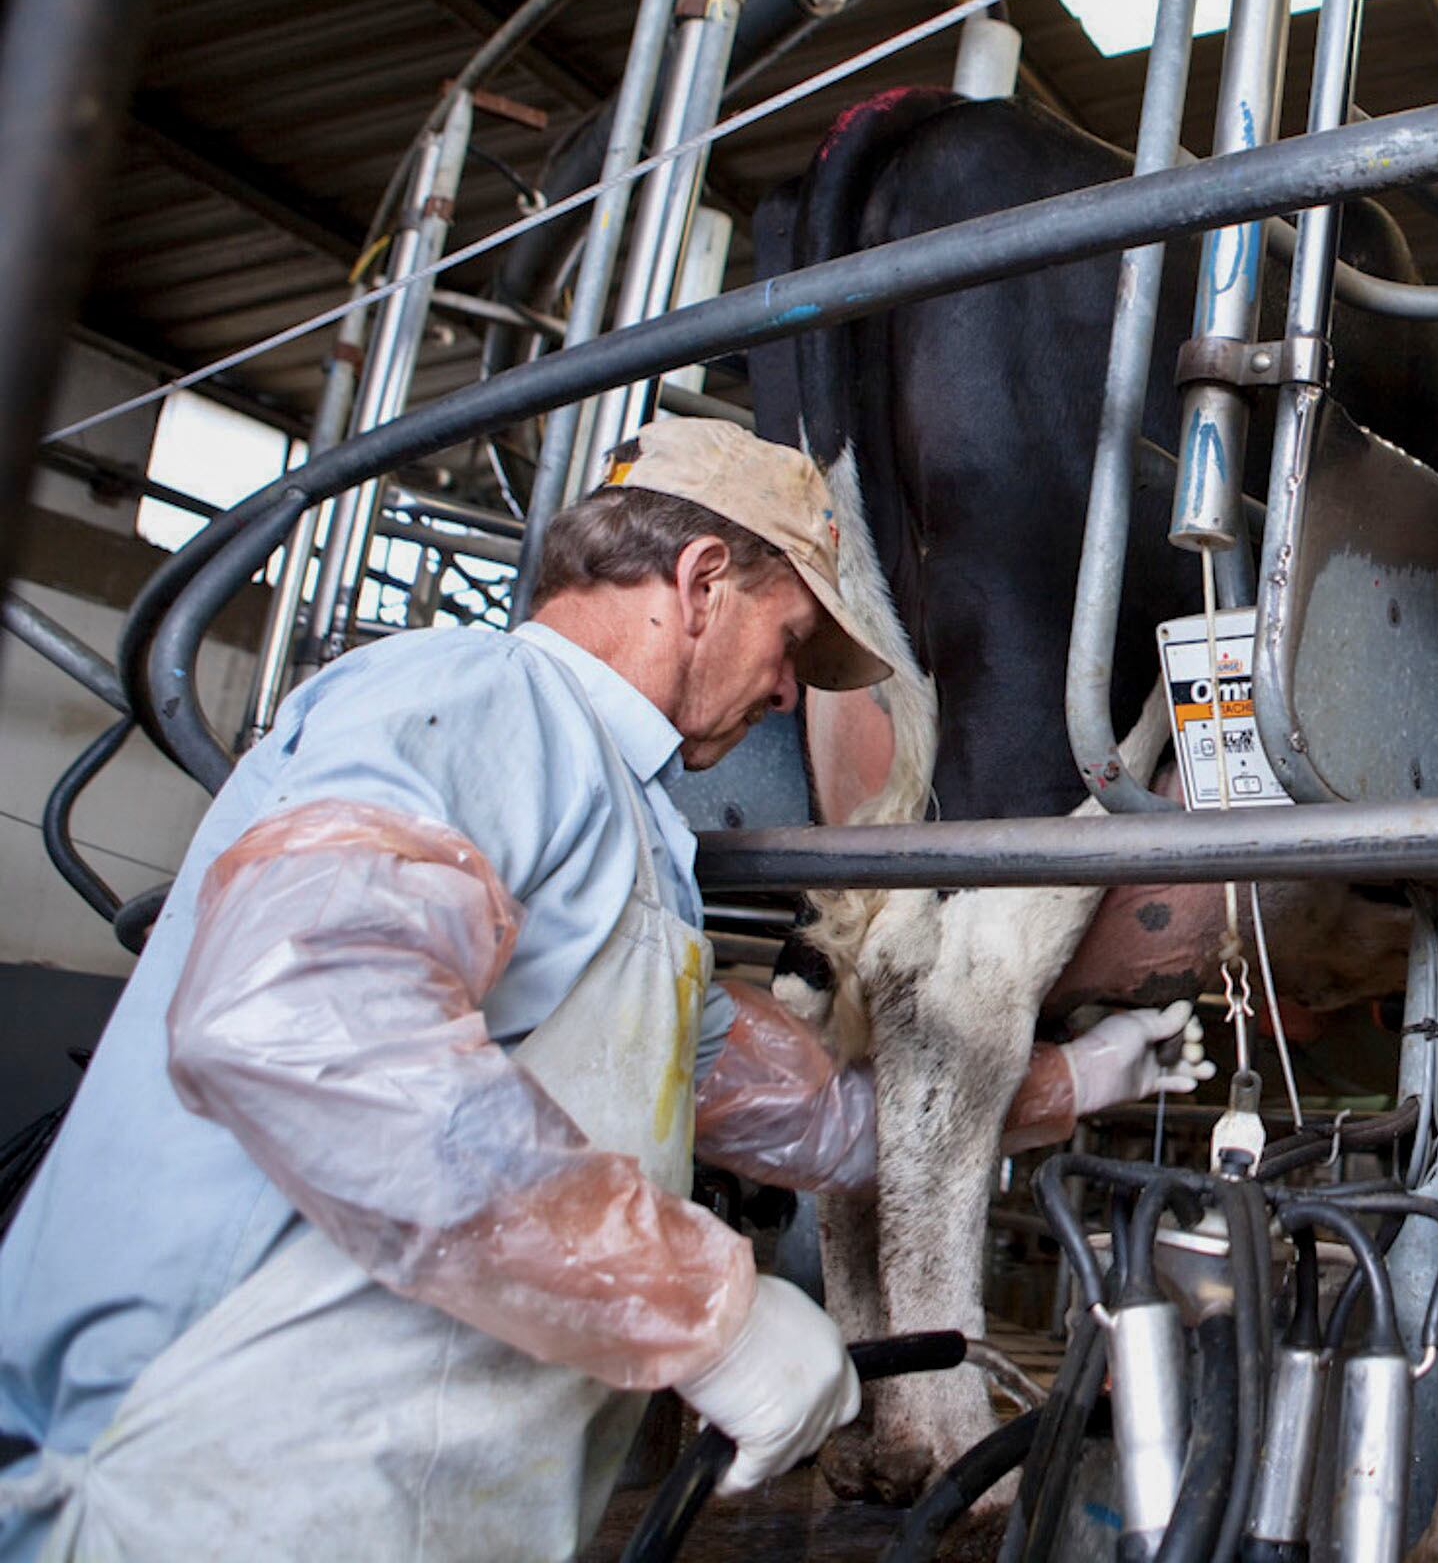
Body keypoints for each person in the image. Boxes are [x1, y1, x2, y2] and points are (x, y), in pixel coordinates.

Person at [0, 419, 1207, 1560]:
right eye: (789, 642)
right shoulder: (476, 704)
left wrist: (1074, 1078)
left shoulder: (628, 837)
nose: (791, 693)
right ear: (697, 582)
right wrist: (703, 1303)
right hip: (198, 1479)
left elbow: (809, 1119)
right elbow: (303, 1026)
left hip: (378, 1494)